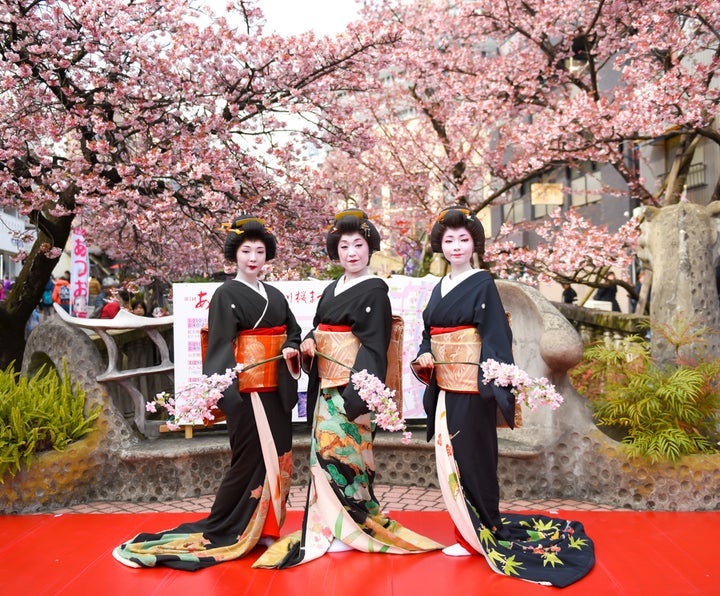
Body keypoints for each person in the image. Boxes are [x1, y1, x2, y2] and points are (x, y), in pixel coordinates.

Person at [412, 206, 594, 587]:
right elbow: (428, 331)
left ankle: (482, 531)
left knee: (474, 460)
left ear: (475, 243)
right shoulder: (438, 287)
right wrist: (425, 351)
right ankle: (464, 532)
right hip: (446, 386)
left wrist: (490, 385)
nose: (456, 246)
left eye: (464, 239)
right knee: (450, 461)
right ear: (439, 246)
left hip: (473, 388)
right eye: (449, 240)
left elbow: (497, 337)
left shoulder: (482, 284)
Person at [254, 209, 441, 570]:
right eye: (344, 246)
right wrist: (308, 343)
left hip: (351, 388)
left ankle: (352, 526)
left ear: (370, 249)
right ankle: (330, 526)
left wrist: (358, 394)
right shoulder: (331, 289)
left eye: (358, 245)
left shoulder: (374, 291)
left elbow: (373, 346)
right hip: (326, 384)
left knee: (346, 459)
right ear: (335, 251)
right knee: (322, 459)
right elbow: (317, 329)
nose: (351, 252)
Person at [113, 214, 302, 570]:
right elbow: (219, 348)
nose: (253, 258)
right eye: (246, 250)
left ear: (267, 256)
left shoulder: (275, 295)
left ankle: (263, 525)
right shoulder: (226, 294)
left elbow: (293, 330)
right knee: (246, 460)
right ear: (235, 256)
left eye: (260, 251)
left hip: (275, 389)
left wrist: (292, 347)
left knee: (279, 458)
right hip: (245, 393)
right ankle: (226, 526)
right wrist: (230, 394)